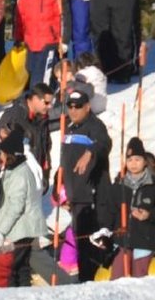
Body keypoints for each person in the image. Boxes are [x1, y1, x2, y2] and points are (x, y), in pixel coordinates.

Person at [54, 83, 113, 282]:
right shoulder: (70, 129)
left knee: (90, 246)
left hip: (92, 196)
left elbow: (104, 144)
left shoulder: (95, 126)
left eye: (77, 106)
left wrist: (90, 152)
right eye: (70, 106)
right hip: (75, 196)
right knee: (79, 245)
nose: (73, 110)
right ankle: (83, 280)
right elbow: (64, 162)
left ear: (87, 107)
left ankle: (90, 281)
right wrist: (59, 186)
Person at [0, 126, 47, 288]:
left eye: (2, 152)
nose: (0, 155)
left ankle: (13, 297)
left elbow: (16, 206)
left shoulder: (19, 174)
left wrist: (1, 231)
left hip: (21, 229)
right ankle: (23, 293)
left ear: (9, 154)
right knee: (21, 267)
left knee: (10, 267)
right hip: (20, 229)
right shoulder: (14, 170)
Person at [98, 137, 155, 279]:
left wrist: (148, 215)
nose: (133, 164)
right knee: (117, 277)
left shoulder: (152, 186)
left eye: (137, 159)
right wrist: (105, 231)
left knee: (140, 279)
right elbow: (109, 212)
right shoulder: (118, 186)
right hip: (121, 241)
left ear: (144, 161)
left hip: (144, 242)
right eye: (130, 160)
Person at [13, 0, 64, 89]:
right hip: (29, 42)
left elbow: (63, 18)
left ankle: (42, 101)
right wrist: (18, 37)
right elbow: (19, 18)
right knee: (30, 70)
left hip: (48, 42)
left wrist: (62, 41)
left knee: (41, 78)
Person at [0, 84, 54, 190]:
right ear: (34, 99)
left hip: (33, 181)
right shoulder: (14, 116)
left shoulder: (43, 119)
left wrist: (45, 175)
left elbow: (45, 148)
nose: (50, 106)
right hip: (15, 181)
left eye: (51, 103)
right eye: (46, 102)